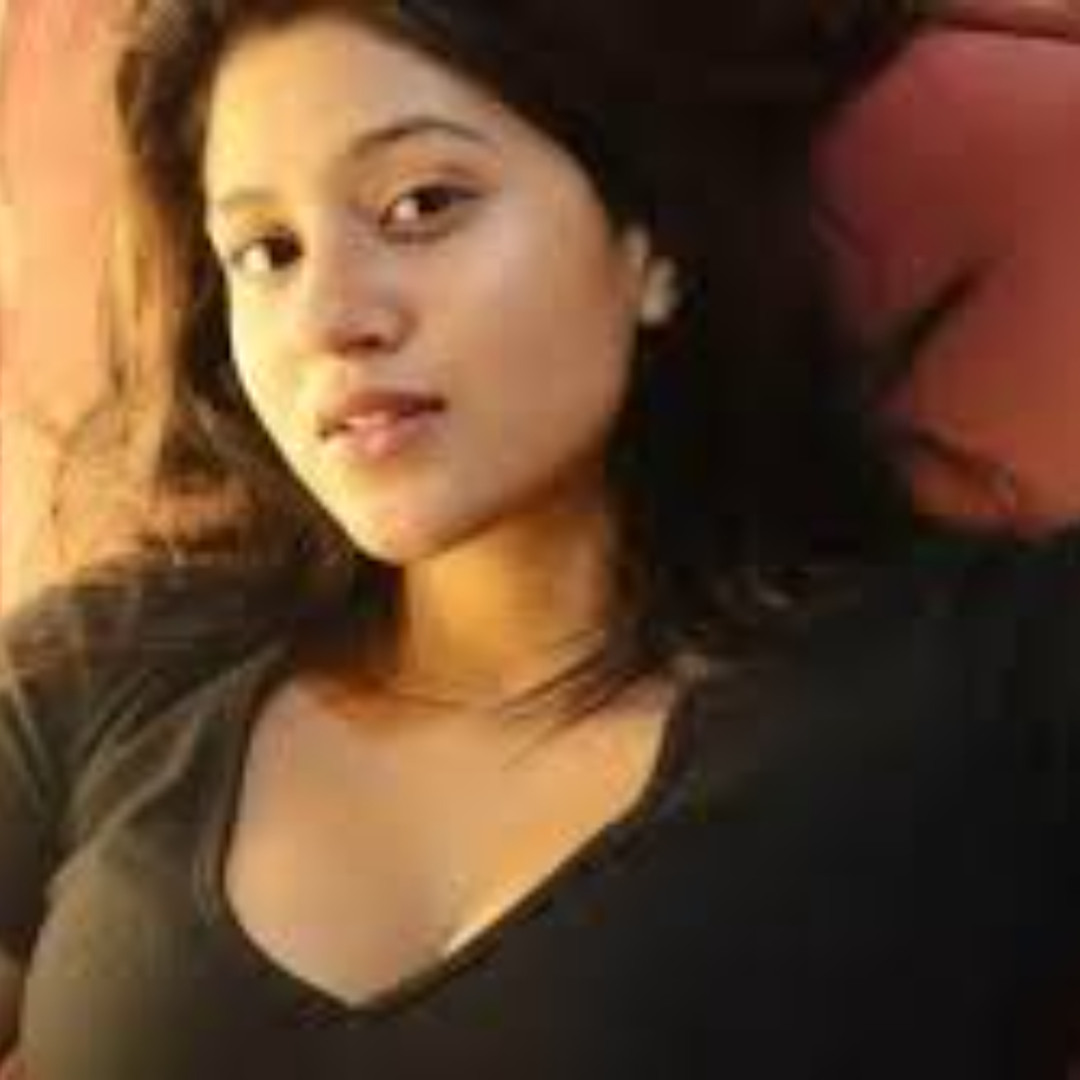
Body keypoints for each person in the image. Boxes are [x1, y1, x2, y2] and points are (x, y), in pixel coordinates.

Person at [2, 0, 1078, 1076]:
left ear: (650, 239)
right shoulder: (107, 668)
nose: (329, 317)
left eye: (423, 205)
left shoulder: (991, 677)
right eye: (267, 251)